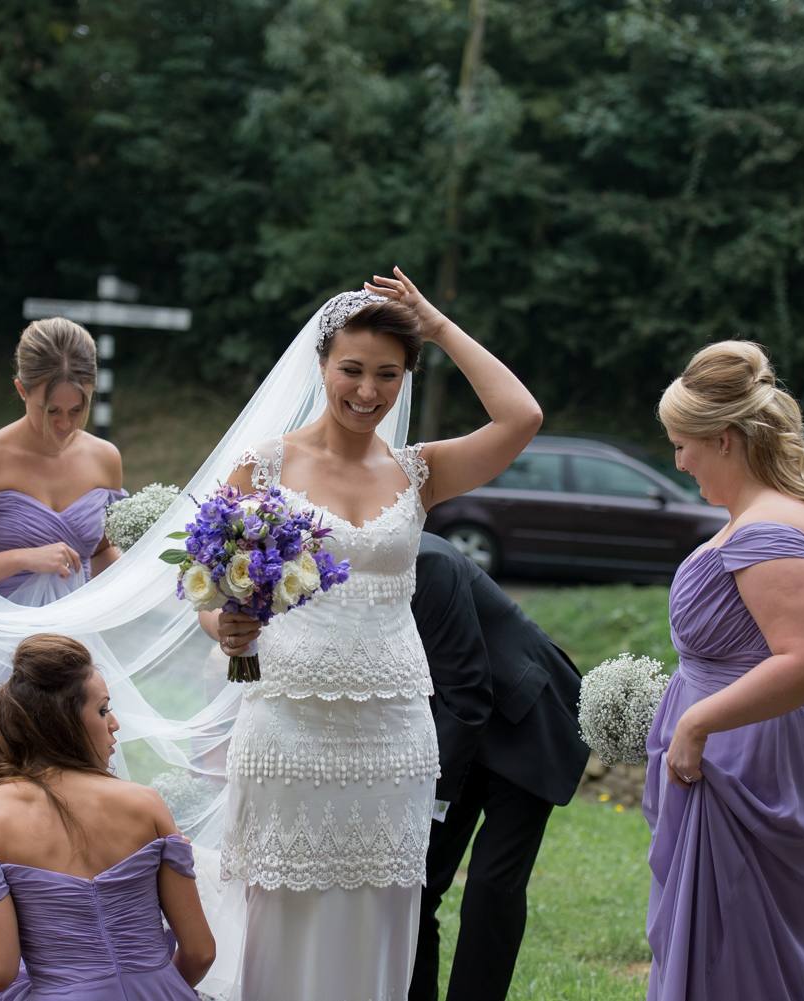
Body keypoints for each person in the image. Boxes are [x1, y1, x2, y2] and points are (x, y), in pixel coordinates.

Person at [205, 268, 542, 1001]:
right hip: (287, 724)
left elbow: (520, 418)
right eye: (352, 370)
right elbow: (215, 590)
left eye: (388, 374)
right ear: (321, 365)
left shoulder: (418, 472)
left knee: (378, 914)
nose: (368, 390)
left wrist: (440, 325)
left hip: (393, 734)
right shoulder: (263, 466)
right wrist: (227, 626)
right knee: (284, 915)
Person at [644, 341, 804, 1001]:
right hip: (744, 759)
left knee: (737, 966)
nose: (679, 461)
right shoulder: (756, 519)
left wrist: (697, 721)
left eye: (684, 444)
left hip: (757, 771)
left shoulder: (768, 530)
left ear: (727, 439)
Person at [0, 633, 215, 999]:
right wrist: (156, 985)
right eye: (102, 710)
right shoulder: (146, 804)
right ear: (62, 721)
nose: (114, 723)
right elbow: (200, 952)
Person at [0, 317, 127, 785]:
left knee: (70, 781)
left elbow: (100, 554)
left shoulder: (105, 459)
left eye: (77, 410)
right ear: (21, 389)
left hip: (71, 650)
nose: (63, 424)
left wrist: (144, 576)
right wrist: (24, 558)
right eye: (50, 410)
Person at [407, 532, 586, 1001]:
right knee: (416, 886)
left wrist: (430, 798)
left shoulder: (427, 561)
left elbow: (469, 690)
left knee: (491, 887)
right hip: (458, 730)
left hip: (527, 722)